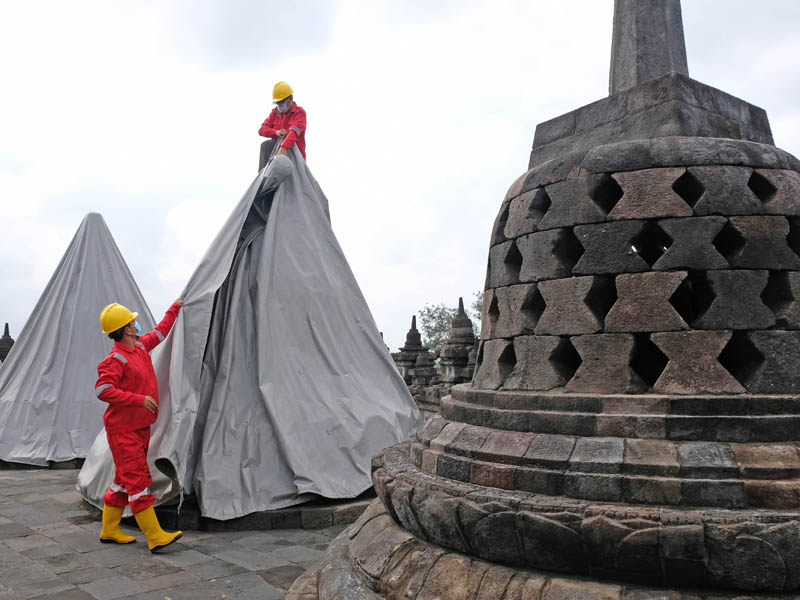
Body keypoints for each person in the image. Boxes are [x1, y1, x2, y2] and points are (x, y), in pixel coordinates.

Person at [94, 300, 183, 552]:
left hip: (139, 428)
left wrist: (174, 308)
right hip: (123, 431)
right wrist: (138, 400)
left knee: (122, 481)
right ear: (125, 329)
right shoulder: (115, 359)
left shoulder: (141, 346)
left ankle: (109, 529)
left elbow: (162, 331)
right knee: (138, 481)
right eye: (132, 322)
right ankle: (155, 536)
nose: (136, 324)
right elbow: (102, 390)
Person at [258, 81, 307, 160]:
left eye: (282, 102)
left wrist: (283, 148)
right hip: (275, 156)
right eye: (278, 103)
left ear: (291, 98)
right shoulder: (275, 113)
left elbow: (293, 133)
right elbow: (261, 130)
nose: (280, 105)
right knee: (266, 146)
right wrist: (276, 132)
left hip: (295, 159)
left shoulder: (300, 113)